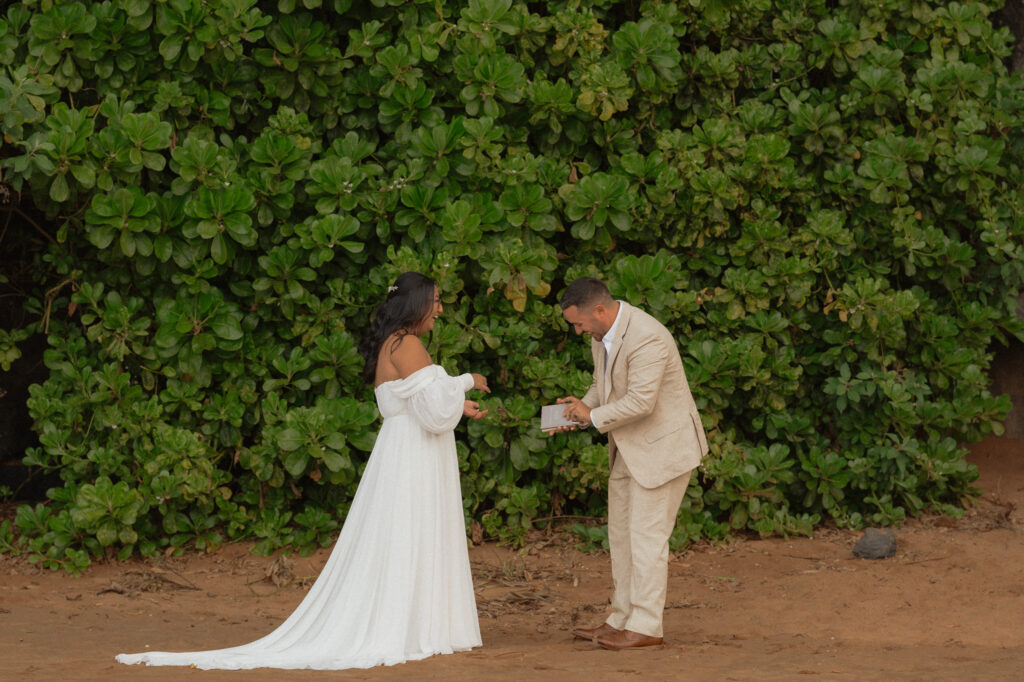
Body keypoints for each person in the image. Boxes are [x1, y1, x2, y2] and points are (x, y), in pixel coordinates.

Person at [116, 271, 490, 670]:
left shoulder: (391, 343)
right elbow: (433, 410)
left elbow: (415, 402)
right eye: (435, 300)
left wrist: (455, 403)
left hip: (401, 452)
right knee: (411, 532)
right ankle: (413, 626)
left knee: (400, 536)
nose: (440, 308)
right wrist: (467, 381)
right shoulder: (409, 344)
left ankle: (414, 623)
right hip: (413, 457)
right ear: (415, 303)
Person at [555, 277, 707, 651]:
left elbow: (641, 402)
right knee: (621, 536)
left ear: (600, 311)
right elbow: (601, 385)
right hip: (628, 447)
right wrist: (577, 410)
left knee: (647, 539)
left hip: (662, 450)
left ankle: (646, 625)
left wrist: (592, 417)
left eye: (579, 323)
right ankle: (621, 618)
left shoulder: (647, 336)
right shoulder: (601, 337)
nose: (578, 331)